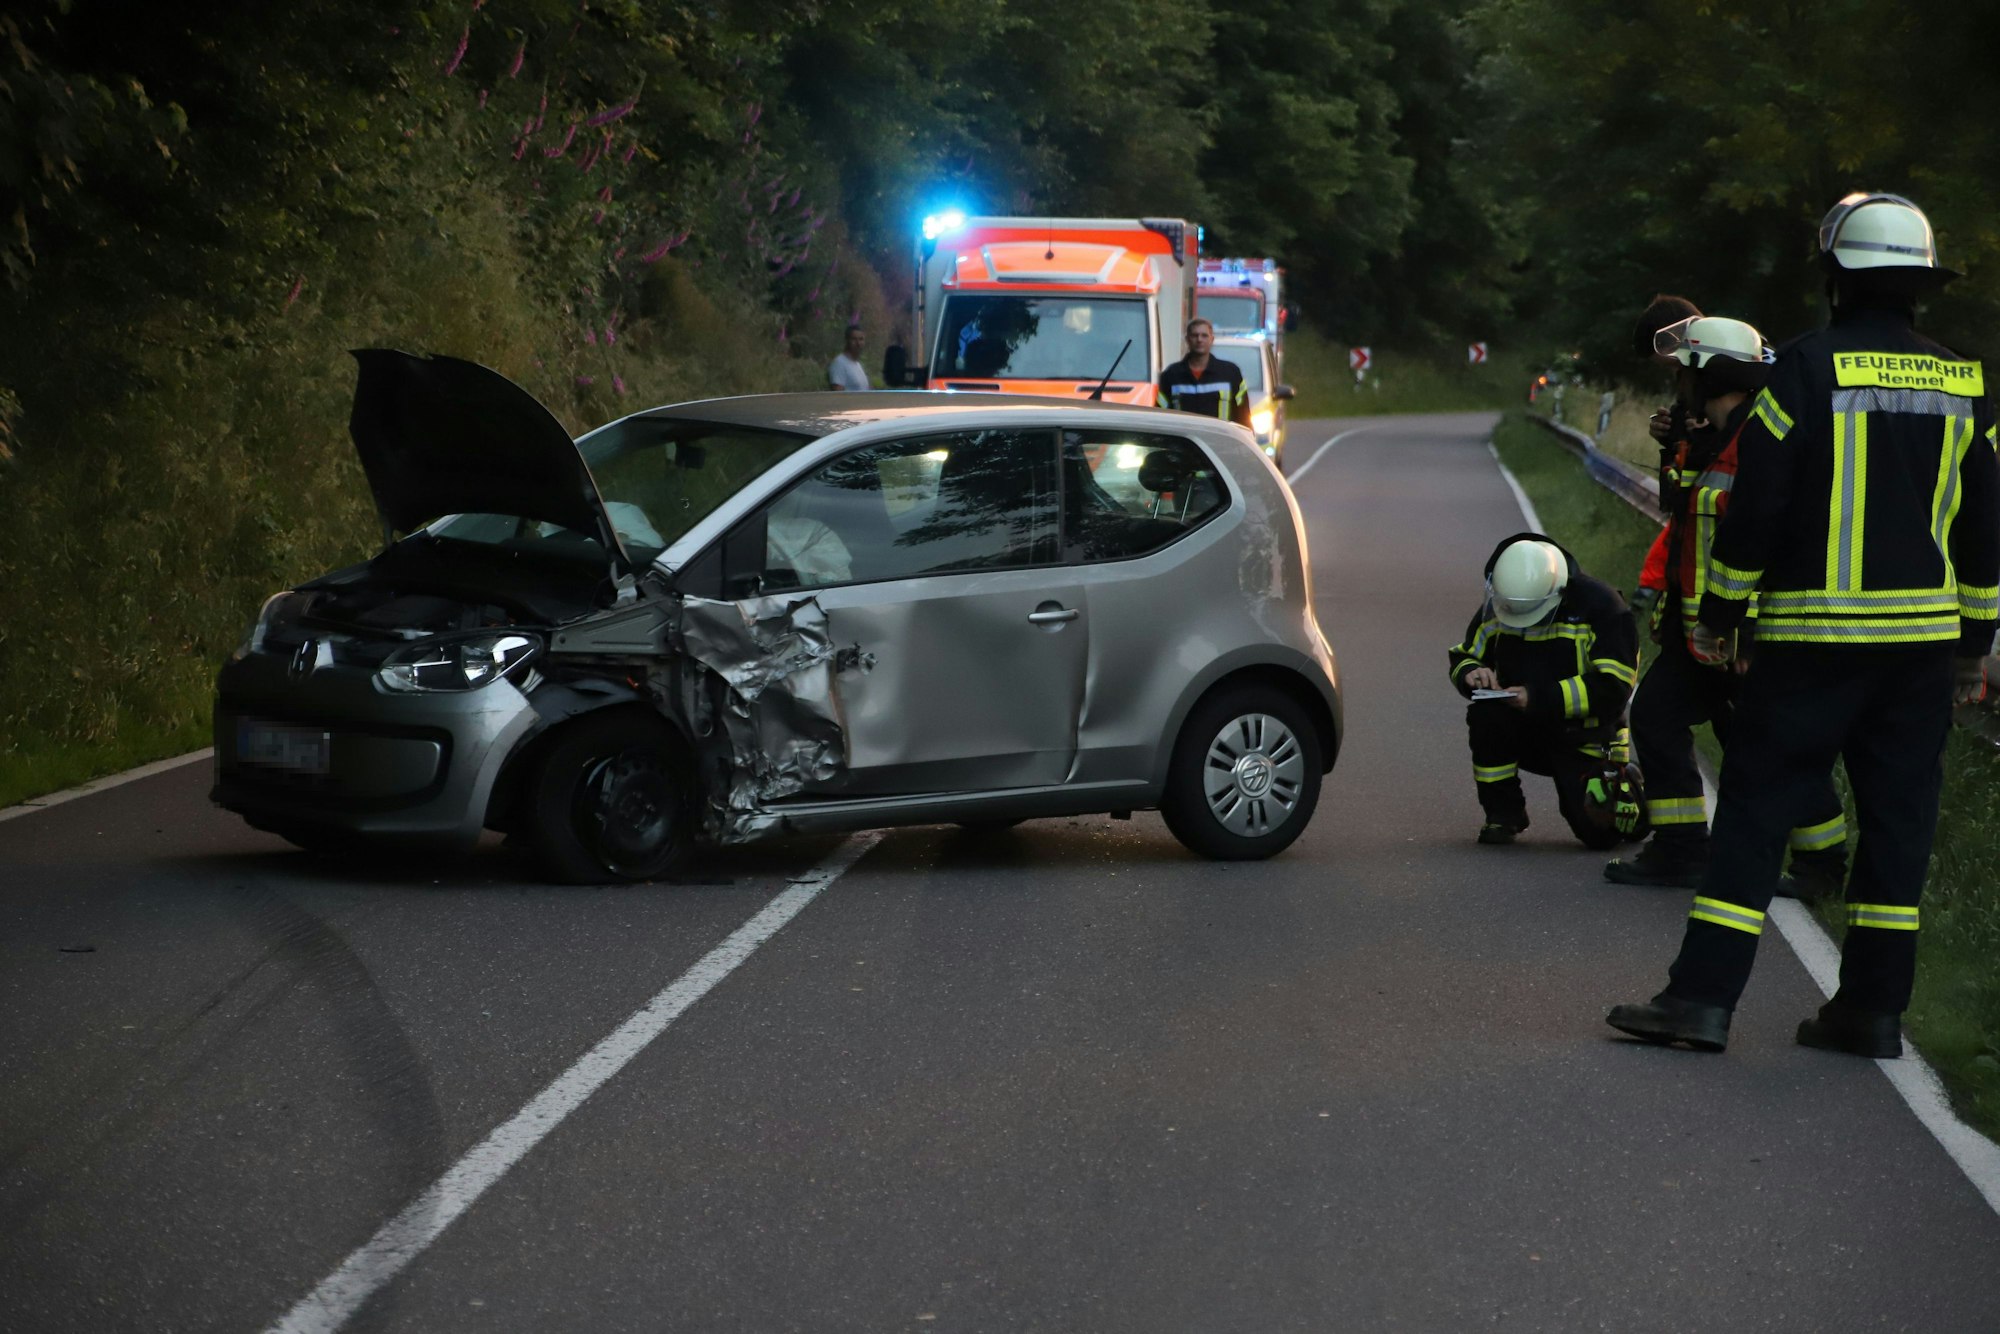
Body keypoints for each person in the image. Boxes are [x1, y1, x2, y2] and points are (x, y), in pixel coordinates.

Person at [1608, 193, 1999, 1056]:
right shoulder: (1964, 382)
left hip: (1812, 646)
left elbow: (1760, 507)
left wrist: (1718, 616)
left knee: (1753, 818)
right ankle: (1869, 1013)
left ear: (1836, 278)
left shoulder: (1805, 371)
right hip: (1922, 656)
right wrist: (1975, 646)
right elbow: (1983, 526)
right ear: (1919, 286)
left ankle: (1701, 1003)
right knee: (1897, 834)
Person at [1604, 316, 1850, 898]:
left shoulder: (1756, 440)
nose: (1678, 382)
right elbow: (1683, 508)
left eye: (1687, 370)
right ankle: (1683, 849)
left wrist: (1751, 635)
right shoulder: (1717, 436)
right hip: (1704, 636)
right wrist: (1674, 447)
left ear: (1711, 373)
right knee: (1663, 719)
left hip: (1743, 639)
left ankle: (1822, 868)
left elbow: (1774, 541)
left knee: (1775, 744)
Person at [1449, 534, 1645, 848]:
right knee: (1487, 715)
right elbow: (1464, 654)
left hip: (1582, 737)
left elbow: (1613, 689)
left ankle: (1631, 785)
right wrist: (1472, 673)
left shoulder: (1603, 608)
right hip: (1524, 728)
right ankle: (1503, 814)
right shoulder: (1504, 602)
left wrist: (1537, 698)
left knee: (1601, 836)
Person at [1157, 318, 1253, 428]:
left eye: (1204, 335)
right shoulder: (1171, 375)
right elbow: (1160, 416)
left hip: (1220, 442)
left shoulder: (1230, 374)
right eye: (1194, 335)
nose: (1199, 340)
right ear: (1187, 339)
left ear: (1212, 339)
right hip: (1185, 443)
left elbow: (1244, 414)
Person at [827, 325, 870, 391]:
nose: (858, 343)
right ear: (847, 341)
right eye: (854, 339)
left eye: (861, 339)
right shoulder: (839, 363)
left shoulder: (857, 365)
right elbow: (837, 397)